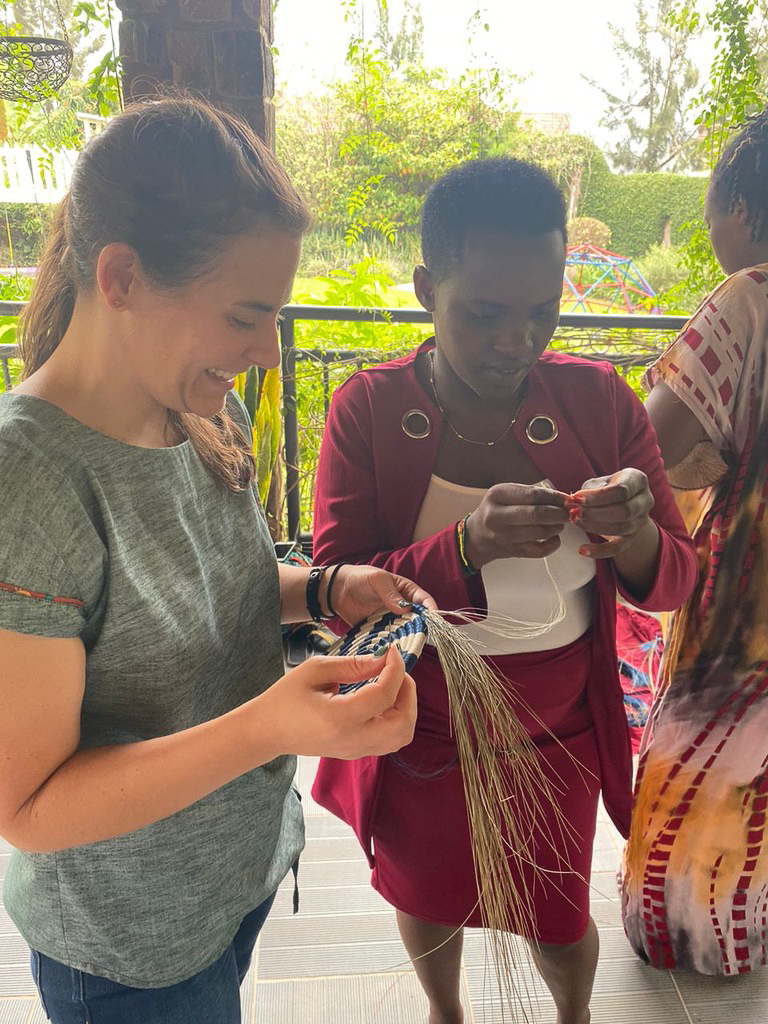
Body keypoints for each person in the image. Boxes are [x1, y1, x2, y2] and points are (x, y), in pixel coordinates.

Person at [0, 95, 432, 1024]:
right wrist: (267, 728)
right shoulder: (27, 480)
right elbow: (29, 807)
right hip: (129, 944)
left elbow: (210, 585)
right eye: (244, 315)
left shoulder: (202, 409)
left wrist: (326, 588)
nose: (267, 351)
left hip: (230, 873)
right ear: (122, 277)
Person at [311, 158, 697, 1024]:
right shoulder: (369, 410)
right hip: (423, 719)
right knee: (428, 893)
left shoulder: (599, 403)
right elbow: (337, 594)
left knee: (557, 916)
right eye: (484, 314)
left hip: (556, 728)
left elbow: (674, 579)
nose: (517, 342)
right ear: (426, 290)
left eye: (542, 312)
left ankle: (574, 1016)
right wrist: (463, 548)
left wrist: (634, 531)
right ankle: (446, 1012)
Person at [622, 109, 768, 977]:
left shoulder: (750, 296)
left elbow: (652, 444)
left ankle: (695, 937)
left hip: (752, 590)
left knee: (711, 762)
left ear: (741, 208)